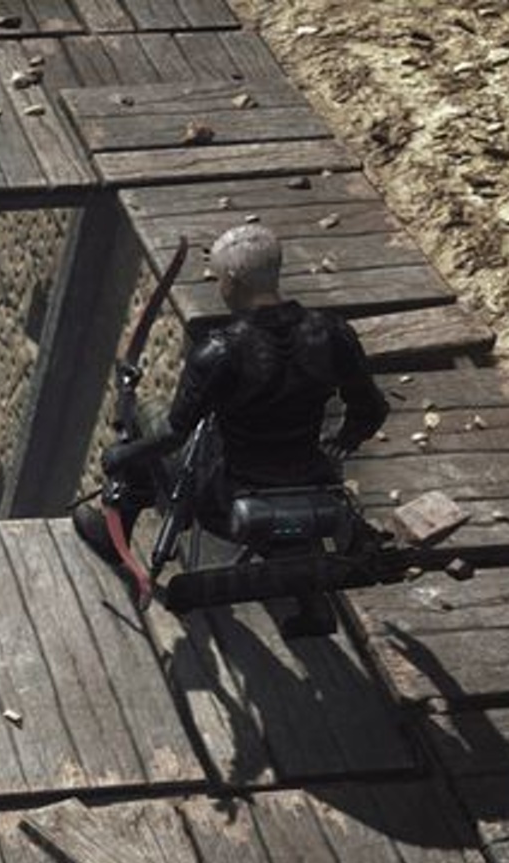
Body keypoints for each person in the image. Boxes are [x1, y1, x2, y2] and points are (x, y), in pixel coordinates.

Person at [73, 223, 389, 631]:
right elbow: (372, 410)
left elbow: (173, 434)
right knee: (281, 481)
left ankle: (111, 535)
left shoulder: (219, 350)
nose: (219, 286)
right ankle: (310, 601)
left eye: (220, 279)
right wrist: (342, 442)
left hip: (225, 498)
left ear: (234, 282)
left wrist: (119, 456)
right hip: (309, 481)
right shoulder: (333, 334)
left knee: (145, 418)